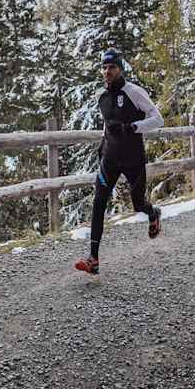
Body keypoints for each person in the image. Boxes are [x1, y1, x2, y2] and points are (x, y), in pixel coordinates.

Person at [75, 49, 164, 275]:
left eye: (112, 67)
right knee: (98, 203)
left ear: (120, 69)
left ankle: (153, 214)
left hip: (133, 159)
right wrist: (102, 146)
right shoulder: (101, 96)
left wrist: (134, 127)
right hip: (110, 159)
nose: (107, 72)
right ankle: (93, 259)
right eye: (104, 68)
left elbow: (158, 119)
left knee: (138, 204)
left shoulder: (134, 92)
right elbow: (108, 125)